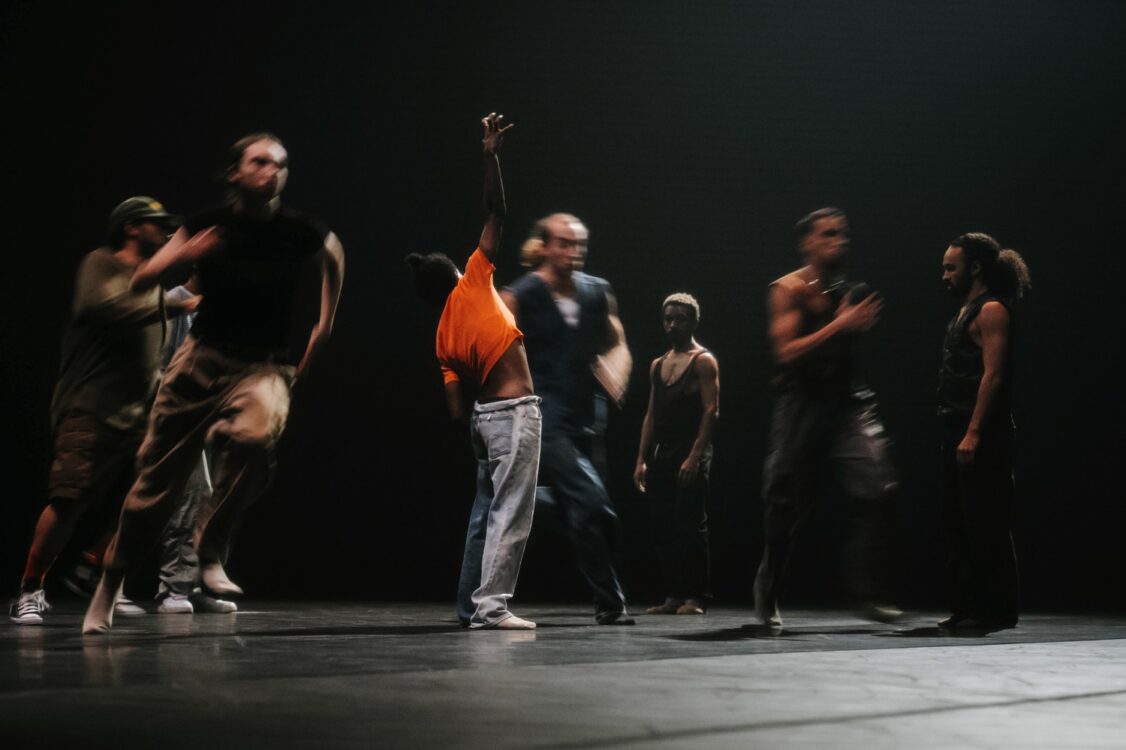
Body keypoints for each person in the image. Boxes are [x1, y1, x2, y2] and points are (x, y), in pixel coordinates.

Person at [83, 134, 345, 633]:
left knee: (254, 437)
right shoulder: (207, 224)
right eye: (262, 162)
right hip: (198, 364)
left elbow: (334, 254)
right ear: (236, 173)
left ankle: (210, 546)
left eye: (282, 165)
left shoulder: (299, 231)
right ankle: (109, 585)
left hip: (262, 366)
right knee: (152, 491)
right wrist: (192, 250)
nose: (274, 172)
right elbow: (143, 281)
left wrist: (325, 322)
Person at [9, 197, 183, 625]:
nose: (163, 233)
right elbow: (101, 308)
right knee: (70, 498)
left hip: (140, 415)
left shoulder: (156, 284)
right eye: (155, 225)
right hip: (91, 408)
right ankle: (31, 589)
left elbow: (153, 359)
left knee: (143, 505)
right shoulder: (102, 264)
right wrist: (173, 305)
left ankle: (99, 575)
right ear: (131, 228)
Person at [407, 113, 539, 630]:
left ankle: (472, 605)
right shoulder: (474, 284)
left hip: (484, 422)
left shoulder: (441, 336)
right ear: (458, 274)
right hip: (513, 415)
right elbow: (497, 211)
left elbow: (455, 405)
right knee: (512, 512)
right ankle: (491, 607)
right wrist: (491, 155)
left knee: (485, 513)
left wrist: (476, 438)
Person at [752, 207, 900, 629]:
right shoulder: (789, 289)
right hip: (801, 406)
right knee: (784, 505)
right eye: (830, 234)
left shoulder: (850, 290)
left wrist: (850, 323)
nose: (840, 241)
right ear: (808, 242)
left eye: (843, 233)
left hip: (848, 406)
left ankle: (870, 593)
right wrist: (841, 326)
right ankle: (770, 586)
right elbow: (786, 352)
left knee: (879, 488)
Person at [501, 214, 635, 625]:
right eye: (563, 243)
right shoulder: (518, 296)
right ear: (543, 246)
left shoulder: (598, 292)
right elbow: (500, 358)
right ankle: (510, 501)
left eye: (578, 245)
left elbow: (618, 343)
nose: (572, 252)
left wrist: (616, 371)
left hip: (586, 418)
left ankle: (609, 603)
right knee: (594, 505)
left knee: (587, 513)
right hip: (544, 418)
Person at [937, 232, 1030, 630]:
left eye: (950, 268)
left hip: (983, 435)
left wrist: (974, 432)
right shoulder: (965, 311)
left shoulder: (992, 310)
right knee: (961, 523)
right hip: (956, 429)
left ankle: (996, 611)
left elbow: (992, 376)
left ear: (975, 268)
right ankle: (969, 607)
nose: (944, 276)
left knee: (985, 523)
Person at [154, 283, 237, 615]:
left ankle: (196, 584)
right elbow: (159, 363)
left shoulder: (219, 307)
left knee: (214, 498)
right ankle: (173, 589)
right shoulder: (174, 301)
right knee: (193, 495)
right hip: (178, 415)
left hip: (212, 415)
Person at [634, 294, 719, 615]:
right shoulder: (658, 364)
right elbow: (651, 414)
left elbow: (712, 411)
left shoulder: (704, 361)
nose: (672, 324)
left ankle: (696, 597)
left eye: (679, 318)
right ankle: (673, 595)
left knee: (690, 524)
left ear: (693, 321)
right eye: (667, 318)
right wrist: (641, 458)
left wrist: (695, 457)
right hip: (664, 453)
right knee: (662, 524)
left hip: (692, 449)